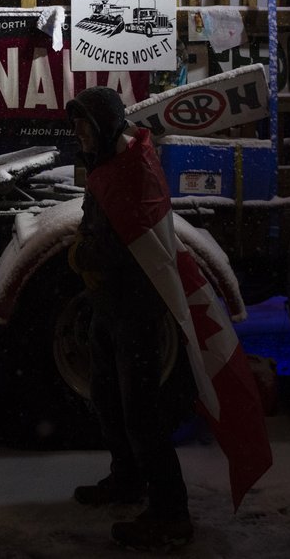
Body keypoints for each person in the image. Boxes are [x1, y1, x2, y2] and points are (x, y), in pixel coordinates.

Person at [65, 86, 195, 551]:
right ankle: (127, 480)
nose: (77, 134)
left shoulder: (130, 169)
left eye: (83, 125)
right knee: (108, 397)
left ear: (103, 124)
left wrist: (86, 254)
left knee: (141, 411)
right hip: (110, 304)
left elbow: (132, 241)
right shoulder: (106, 162)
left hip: (135, 306)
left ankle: (170, 512)